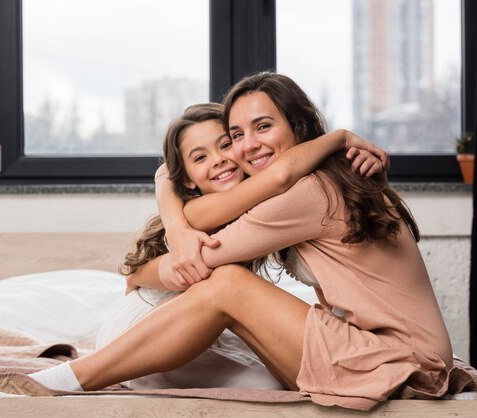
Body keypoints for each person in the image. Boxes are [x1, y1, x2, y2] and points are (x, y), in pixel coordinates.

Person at [32, 72, 439, 412]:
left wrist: (142, 266)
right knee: (231, 295)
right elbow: (201, 217)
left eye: (263, 127)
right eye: (237, 134)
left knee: (228, 284)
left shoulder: (310, 191)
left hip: (400, 364)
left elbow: (201, 261)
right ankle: (76, 376)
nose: (246, 147)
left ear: (298, 127)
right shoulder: (325, 177)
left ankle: (69, 380)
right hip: (380, 354)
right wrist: (167, 199)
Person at [91, 102, 386, 390]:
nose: (218, 159)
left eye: (225, 145)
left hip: (195, 324)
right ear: (188, 179)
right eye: (200, 158)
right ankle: (82, 375)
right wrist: (339, 138)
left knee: (270, 351)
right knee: (265, 381)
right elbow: (278, 176)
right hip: (143, 329)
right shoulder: (203, 210)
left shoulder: (264, 206)